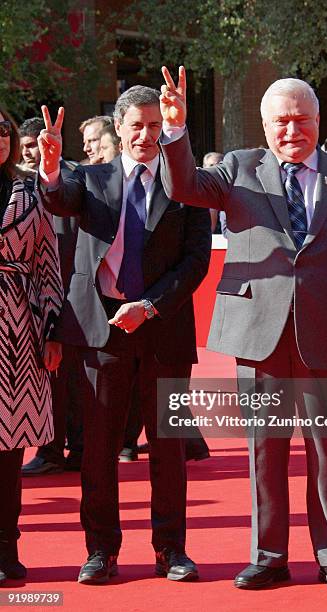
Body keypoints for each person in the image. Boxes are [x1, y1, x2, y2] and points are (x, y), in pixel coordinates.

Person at [159, 66, 327, 591]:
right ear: (264, 126)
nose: (292, 131)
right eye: (281, 122)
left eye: (302, 120)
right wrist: (174, 132)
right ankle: (269, 556)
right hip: (257, 335)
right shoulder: (240, 167)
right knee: (265, 447)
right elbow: (184, 186)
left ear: (317, 120)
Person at [37, 85, 211, 584]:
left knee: (169, 446)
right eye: (137, 125)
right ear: (119, 128)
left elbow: (197, 259)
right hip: (100, 332)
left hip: (163, 328)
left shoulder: (185, 182)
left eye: (155, 126)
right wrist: (50, 168)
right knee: (98, 449)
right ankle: (101, 551)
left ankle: (171, 549)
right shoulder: (90, 180)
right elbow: (57, 200)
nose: (147, 135)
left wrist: (151, 306)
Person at [0, 105, 63, 584]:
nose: (0, 139)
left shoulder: (28, 191)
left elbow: (46, 262)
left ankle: (6, 548)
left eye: (3, 132)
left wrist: (53, 327)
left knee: (8, 453)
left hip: (17, 329)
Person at [17, 118, 84, 476]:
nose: (30, 151)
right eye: (26, 145)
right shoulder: (18, 185)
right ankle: (65, 447)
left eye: (34, 144)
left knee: (63, 376)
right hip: (35, 293)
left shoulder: (65, 180)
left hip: (62, 291)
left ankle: (59, 449)